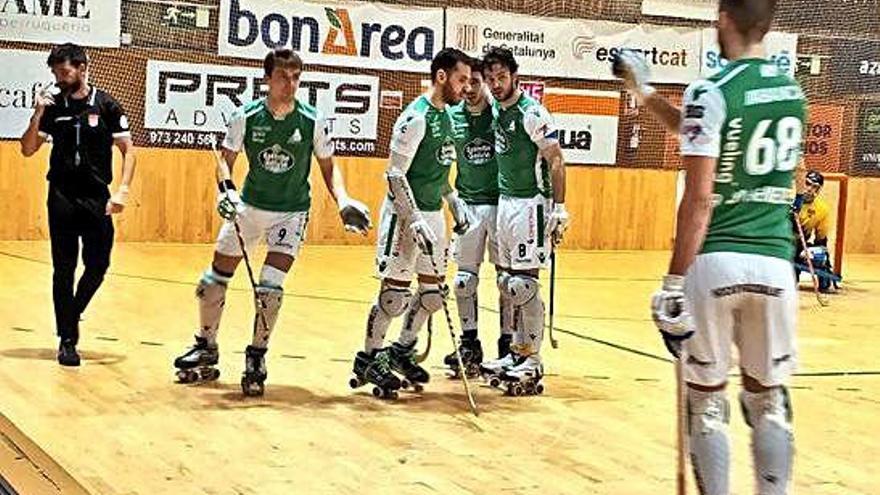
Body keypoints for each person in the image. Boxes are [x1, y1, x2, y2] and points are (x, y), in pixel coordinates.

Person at [615, 0, 802, 492]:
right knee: (768, 399)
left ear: (722, 18)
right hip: (776, 263)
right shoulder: (792, 93)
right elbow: (694, 128)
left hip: (716, 259)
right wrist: (646, 93)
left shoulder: (711, 89)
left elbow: (699, 199)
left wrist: (673, 282)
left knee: (707, 400)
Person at [172, 49, 371, 396]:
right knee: (212, 280)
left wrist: (344, 200)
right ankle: (206, 344)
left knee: (269, 288)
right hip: (248, 208)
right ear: (267, 78)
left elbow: (328, 166)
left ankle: (257, 355)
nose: (289, 84)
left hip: (291, 212)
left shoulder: (312, 120)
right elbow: (224, 161)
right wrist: (226, 191)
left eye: (296, 77)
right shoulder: (246, 116)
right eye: (282, 76)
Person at [349, 48, 472, 398]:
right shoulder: (415, 118)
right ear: (441, 76)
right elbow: (395, 175)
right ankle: (370, 357)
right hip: (405, 216)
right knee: (395, 296)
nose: (466, 87)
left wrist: (452, 200)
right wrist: (413, 217)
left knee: (433, 294)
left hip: (432, 213)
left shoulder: (447, 116)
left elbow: (437, 171)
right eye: (461, 79)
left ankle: (402, 350)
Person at [19, 43, 136, 367]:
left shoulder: (107, 104)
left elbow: (129, 150)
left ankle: (71, 314)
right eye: (56, 72)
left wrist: (122, 190)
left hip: (97, 196)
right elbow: (28, 149)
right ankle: (67, 339)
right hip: (61, 196)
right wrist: (38, 113)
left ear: (83, 68)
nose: (60, 77)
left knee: (98, 266)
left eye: (65, 71)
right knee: (64, 268)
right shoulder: (54, 106)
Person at [477, 47, 569, 395]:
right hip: (505, 202)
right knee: (507, 282)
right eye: (491, 79)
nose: (496, 84)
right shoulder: (497, 108)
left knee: (524, 284)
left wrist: (559, 208)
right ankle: (515, 352)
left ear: (515, 76)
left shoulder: (532, 113)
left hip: (532, 204)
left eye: (501, 77)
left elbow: (557, 160)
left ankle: (533, 359)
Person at [444, 57, 509, 378]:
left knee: (507, 282)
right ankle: (469, 344)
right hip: (467, 205)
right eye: (464, 82)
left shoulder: (500, 114)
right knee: (463, 280)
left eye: (475, 82)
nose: (469, 89)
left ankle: (508, 345)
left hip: (501, 205)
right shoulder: (451, 116)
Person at [794, 170, 834, 292]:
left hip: (800, 245)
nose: (810, 189)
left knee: (819, 254)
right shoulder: (787, 200)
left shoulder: (822, 209)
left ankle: (824, 277)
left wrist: (819, 257)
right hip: (780, 243)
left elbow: (821, 240)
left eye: (815, 187)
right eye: (807, 183)